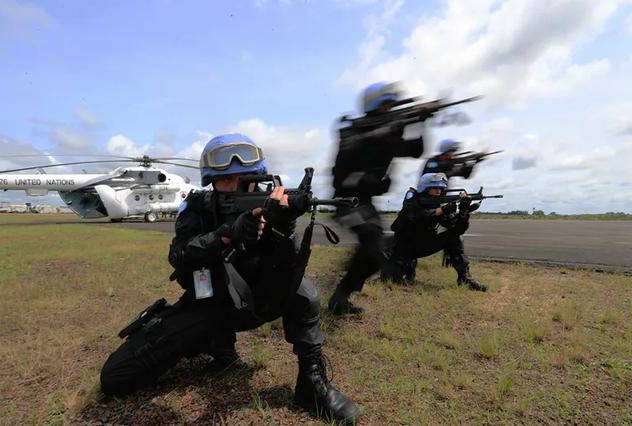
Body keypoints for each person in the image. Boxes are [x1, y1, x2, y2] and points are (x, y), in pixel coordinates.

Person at [100, 133, 360, 424]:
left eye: (244, 179)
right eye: (226, 181)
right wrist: (225, 235)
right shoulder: (196, 207)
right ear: (211, 182)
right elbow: (180, 256)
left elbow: (288, 269)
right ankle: (213, 342)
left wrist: (283, 227)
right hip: (209, 304)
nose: (236, 188)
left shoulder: (271, 207)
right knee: (115, 378)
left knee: (303, 294)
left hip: (256, 300)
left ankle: (311, 383)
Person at [329, 82, 424, 315]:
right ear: (373, 107)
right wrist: (388, 130)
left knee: (377, 252)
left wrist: (419, 122)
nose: (390, 111)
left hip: (365, 201)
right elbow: (350, 152)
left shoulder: (390, 136)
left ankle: (342, 296)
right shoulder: (351, 130)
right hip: (346, 200)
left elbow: (416, 150)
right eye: (387, 106)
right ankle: (339, 297)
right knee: (371, 240)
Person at [381, 173, 487, 291]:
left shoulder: (439, 206)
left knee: (454, 237)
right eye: (435, 188)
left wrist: (464, 212)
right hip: (404, 247)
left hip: (423, 244)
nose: (438, 191)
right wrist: (444, 209)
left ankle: (465, 278)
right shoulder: (412, 200)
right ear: (424, 188)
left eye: (441, 189)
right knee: (391, 279)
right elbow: (419, 216)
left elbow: (457, 229)